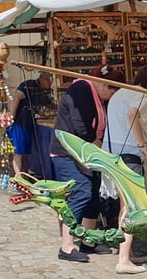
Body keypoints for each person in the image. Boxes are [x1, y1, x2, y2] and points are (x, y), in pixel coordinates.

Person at [49, 75, 114, 262]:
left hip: (85, 154)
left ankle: (88, 241)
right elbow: (80, 125)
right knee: (81, 191)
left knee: (93, 193)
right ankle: (67, 246)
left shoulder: (95, 96)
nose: (109, 98)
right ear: (104, 85)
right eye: (111, 93)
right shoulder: (81, 90)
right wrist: (97, 144)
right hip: (67, 152)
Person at [104, 66, 147, 274]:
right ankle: (123, 259)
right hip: (128, 155)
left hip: (112, 152)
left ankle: (127, 252)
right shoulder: (146, 95)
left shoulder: (121, 93)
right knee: (131, 207)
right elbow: (132, 114)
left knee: (124, 205)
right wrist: (144, 145)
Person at [7, 71, 53, 176]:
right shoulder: (28, 85)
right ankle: (19, 178)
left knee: (25, 152)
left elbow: (48, 104)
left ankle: (25, 175)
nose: (51, 84)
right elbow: (16, 98)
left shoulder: (42, 90)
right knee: (19, 152)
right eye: (49, 81)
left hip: (29, 124)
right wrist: (11, 117)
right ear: (43, 80)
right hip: (20, 123)